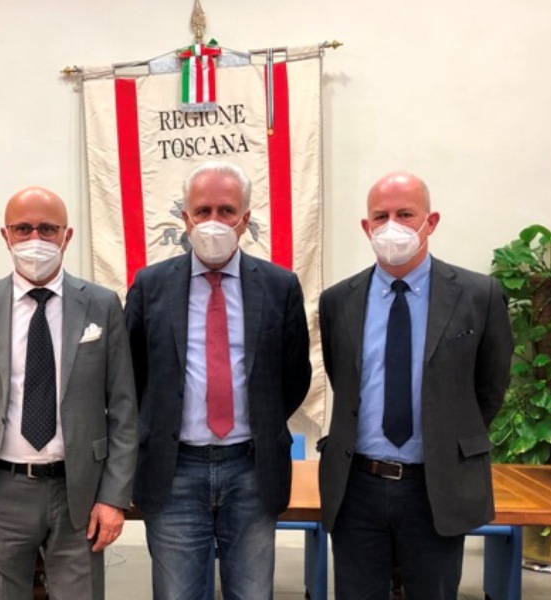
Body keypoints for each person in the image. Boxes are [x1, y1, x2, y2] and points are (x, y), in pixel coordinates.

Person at [317, 172, 513, 600]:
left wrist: (446, 439)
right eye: (381, 216)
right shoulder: (337, 301)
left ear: (431, 221)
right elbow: (342, 377)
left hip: (435, 485)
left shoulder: (478, 295)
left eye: (405, 214)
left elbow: (490, 386)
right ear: (366, 227)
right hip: (358, 486)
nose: (392, 226)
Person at [125, 161, 312, 600]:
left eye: (226, 211)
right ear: (185, 217)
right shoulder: (150, 285)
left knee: (252, 594)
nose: (214, 221)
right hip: (174, 471)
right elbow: (130, 375)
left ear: (245, 219)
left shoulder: (280, 286)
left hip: (251, 471)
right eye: (202, 210)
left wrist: (260, 421)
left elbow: (294, 375)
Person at [0, 186, 138, 600]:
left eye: (48, 229)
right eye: (23, 229)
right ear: (6, 235)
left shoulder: (101, 305)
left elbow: (124, 409)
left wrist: (113, 498)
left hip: (80, 490)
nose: (36, 239)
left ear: (67, 236)